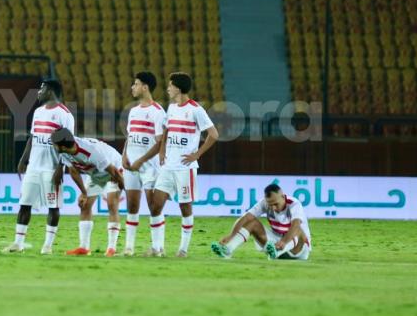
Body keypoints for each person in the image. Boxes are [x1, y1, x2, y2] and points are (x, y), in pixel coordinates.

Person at [148, 72, 218, 257]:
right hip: (168, 166)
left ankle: (183, 249)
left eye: (170, 86)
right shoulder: (171, 108)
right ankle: (156, 248)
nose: (168, 89)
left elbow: (214, 134)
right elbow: (166, 130)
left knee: (185, 207)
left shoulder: (196, 110)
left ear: (178, 88)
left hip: (185, 168)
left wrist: (197, 154)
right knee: (156, 205)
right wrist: (162, 149)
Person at [2, 80, 74, 254]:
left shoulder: (65, 114)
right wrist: (23, 159)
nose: (38, 92)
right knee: (24, 204)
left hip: (51, 168)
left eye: (42, 89)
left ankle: (47, 246)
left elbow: (70, 144)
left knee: (53, 207)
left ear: (50, 91)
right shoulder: (38, 112)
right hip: (34, 167)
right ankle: (18, 243)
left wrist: (61, 168)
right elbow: (33, 137)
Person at [51, 128, 125, 257]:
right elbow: (73, 171)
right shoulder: (64, 152)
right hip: (95, 173)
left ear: (62, 145)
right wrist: (84, 193)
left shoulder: (91, 152)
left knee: (112, 205)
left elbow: (113, 170)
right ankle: (84, 248)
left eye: (55, 143)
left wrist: (122, 183)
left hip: (114, 169)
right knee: (85, 206)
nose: (53, 145)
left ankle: (111, 249)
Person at [121, 72, 165, 256]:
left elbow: (160, 143)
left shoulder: (158, 112)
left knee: (153, 206)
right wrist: (124, 154)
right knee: (131, 205)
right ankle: (129, 247)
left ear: (145, 87)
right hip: (131, 165)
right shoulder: (133, 111)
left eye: (136, 84)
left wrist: (142, 160)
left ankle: (158, 247)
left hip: (149, 166)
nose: (133, 87)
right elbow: (130, 137)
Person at [210, 183, 312, 260]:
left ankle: (276, 251)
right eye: (270, 204)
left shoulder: (294, 204)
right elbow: (245, 218)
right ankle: (228, 249)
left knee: (298, 228)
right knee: (252, 222)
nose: (273, 208)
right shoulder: (265, 203)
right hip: (275, 245)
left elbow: (295, 225)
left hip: (298, 250)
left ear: (282, 196)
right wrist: (231, 236)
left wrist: (284, 242)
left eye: (276, 204)